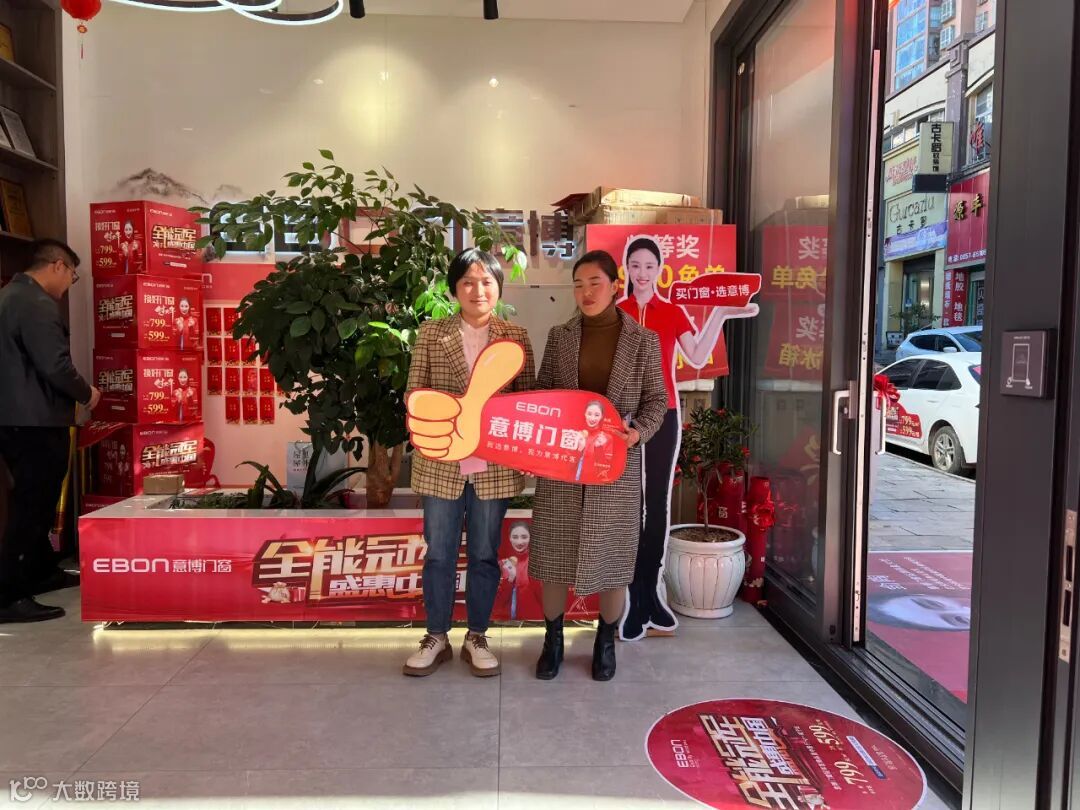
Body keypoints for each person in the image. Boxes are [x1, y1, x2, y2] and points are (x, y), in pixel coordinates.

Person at [530, 249, 667, 681]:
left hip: (615, 467)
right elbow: (544, 391)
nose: (586, 292)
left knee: (612, 557)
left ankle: (605, 641)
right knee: (554, 553)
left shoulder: (643, 340)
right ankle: (552, 640)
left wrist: (637, 433)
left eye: (595, 283)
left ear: (614, 286)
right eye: (578, 284)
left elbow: (657, 400)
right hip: (563, 463)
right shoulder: (560, 336)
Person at [403, 247, 536, 678]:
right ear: (454, 288)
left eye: (486, 281)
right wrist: (440, 414)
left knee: (483, 554)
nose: (478, 290)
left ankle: (477, 635)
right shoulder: (431, 332)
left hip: (494, 466)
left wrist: (525, 453)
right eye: (468, 282)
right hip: (440, 462)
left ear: (499, 287)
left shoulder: (515, 336)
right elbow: (413, 393)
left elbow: (527, 401)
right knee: (439, 554)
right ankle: (436, 636)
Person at [617, 235, 758, 641]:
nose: (642, 273)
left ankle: (648, 593)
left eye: (649, 266)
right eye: (635, 265)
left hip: (664, 414)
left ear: (659, 270)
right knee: (630, 505)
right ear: (627, 269)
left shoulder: (671, 311)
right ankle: (634, 597)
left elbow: (696, 356)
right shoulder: (617, 312)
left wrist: (719, 314)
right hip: (623, 420)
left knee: (657, 504)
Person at [0, 239, 101, 622]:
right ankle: (8, 595)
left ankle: (39, 570)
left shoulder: (9, 296)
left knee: (34, 498)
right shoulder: (36, 303)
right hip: (35, 420)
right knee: (33, 503)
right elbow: (55, 365)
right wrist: (87, 393)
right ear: (58, 265)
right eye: (72, 275)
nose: (69, 283)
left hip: (15, 418)